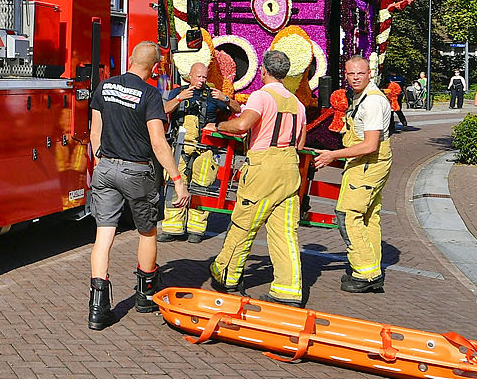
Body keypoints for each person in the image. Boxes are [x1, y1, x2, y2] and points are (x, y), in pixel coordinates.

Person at [84, 41, 188, 329]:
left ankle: (97, 307)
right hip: (138, 172)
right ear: (154, 68)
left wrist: (101, 163)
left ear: (130, 59)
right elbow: (158, 142)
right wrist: (178, 180)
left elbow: (95, 133)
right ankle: (144, 294)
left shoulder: (104, 87)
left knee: (103, 235)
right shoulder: (150, 94)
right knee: (147, 230)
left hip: (105, 167)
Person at [207, 49, 309, 304]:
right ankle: (288, 289)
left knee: (245, 222)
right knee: (284, 232)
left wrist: (218, 126)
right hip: (289, 165)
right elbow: (300, 141)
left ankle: (227, 275)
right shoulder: (297, 104)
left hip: (264, 166)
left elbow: (242, 125)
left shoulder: (261, 97)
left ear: (263, 70)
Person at [310, 55, 392, 293]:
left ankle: (367, 273)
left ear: (370, 74)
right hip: (367, 163)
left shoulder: (372, 102)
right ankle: (371, 267)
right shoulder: (362, 97)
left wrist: (331, 155)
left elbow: (370, 145)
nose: (356, 78)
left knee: (348, 214)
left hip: (367, 164)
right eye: (351, 74)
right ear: (345, 75)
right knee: (369, 216)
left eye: (360, 73)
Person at [160, 59, 230, 243]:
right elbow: (163, 111)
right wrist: (179, 98)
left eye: (204, 77)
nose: (201, 80)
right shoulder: (177, 92)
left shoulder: (214, 95)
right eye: (198, 76)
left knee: (202, 186)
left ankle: (196, 230)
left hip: (205, 149)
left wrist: (226, 99)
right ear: (190, 76)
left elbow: (237, 110)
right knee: (174, 185)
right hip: (180, 146)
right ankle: (172, 228)